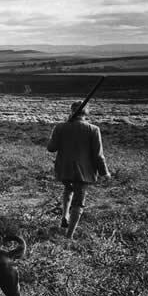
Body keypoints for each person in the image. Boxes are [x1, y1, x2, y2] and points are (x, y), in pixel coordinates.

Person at [47, 101, 111, 239]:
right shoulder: (93, 129)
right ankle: (69, 236)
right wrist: (105, 172)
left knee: (68, 189)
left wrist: (58, 131)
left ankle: (65, 215)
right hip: (83, 171)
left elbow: (51, 148)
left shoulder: (60, 127)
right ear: (86, 113)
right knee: (79, 202)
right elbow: (98, 155)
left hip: (64, 169)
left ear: (71, 112)